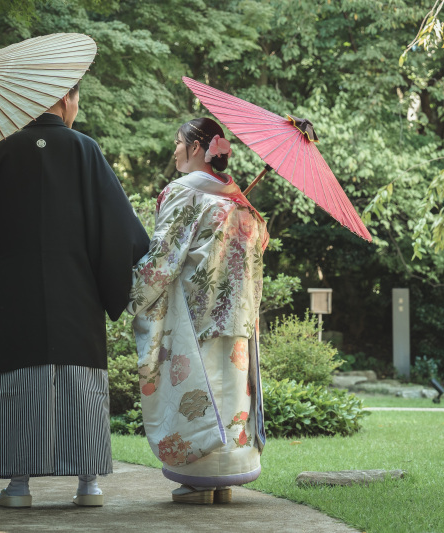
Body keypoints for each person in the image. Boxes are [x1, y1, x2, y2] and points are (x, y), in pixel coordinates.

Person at [0, 81, 150, 508]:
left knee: (19, 380)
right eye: (77, 100)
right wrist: (115, 278)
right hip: (78, 293)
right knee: (81, 381)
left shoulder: (5, 151)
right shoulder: (85, 150)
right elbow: (120, 225)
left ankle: (18, 486)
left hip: (19, 293)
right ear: (66, 98)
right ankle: (88, 484)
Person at [127, 117, 269, 504]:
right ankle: (223, 479)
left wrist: (132, 291)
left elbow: (163, 257)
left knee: (197, 392)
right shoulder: (240, 200)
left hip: (194, 315)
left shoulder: (183, 192)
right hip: (237, 318)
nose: (174, 149)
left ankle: (198, 479)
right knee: (229, 392)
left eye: (178, 142)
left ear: (195, 147)